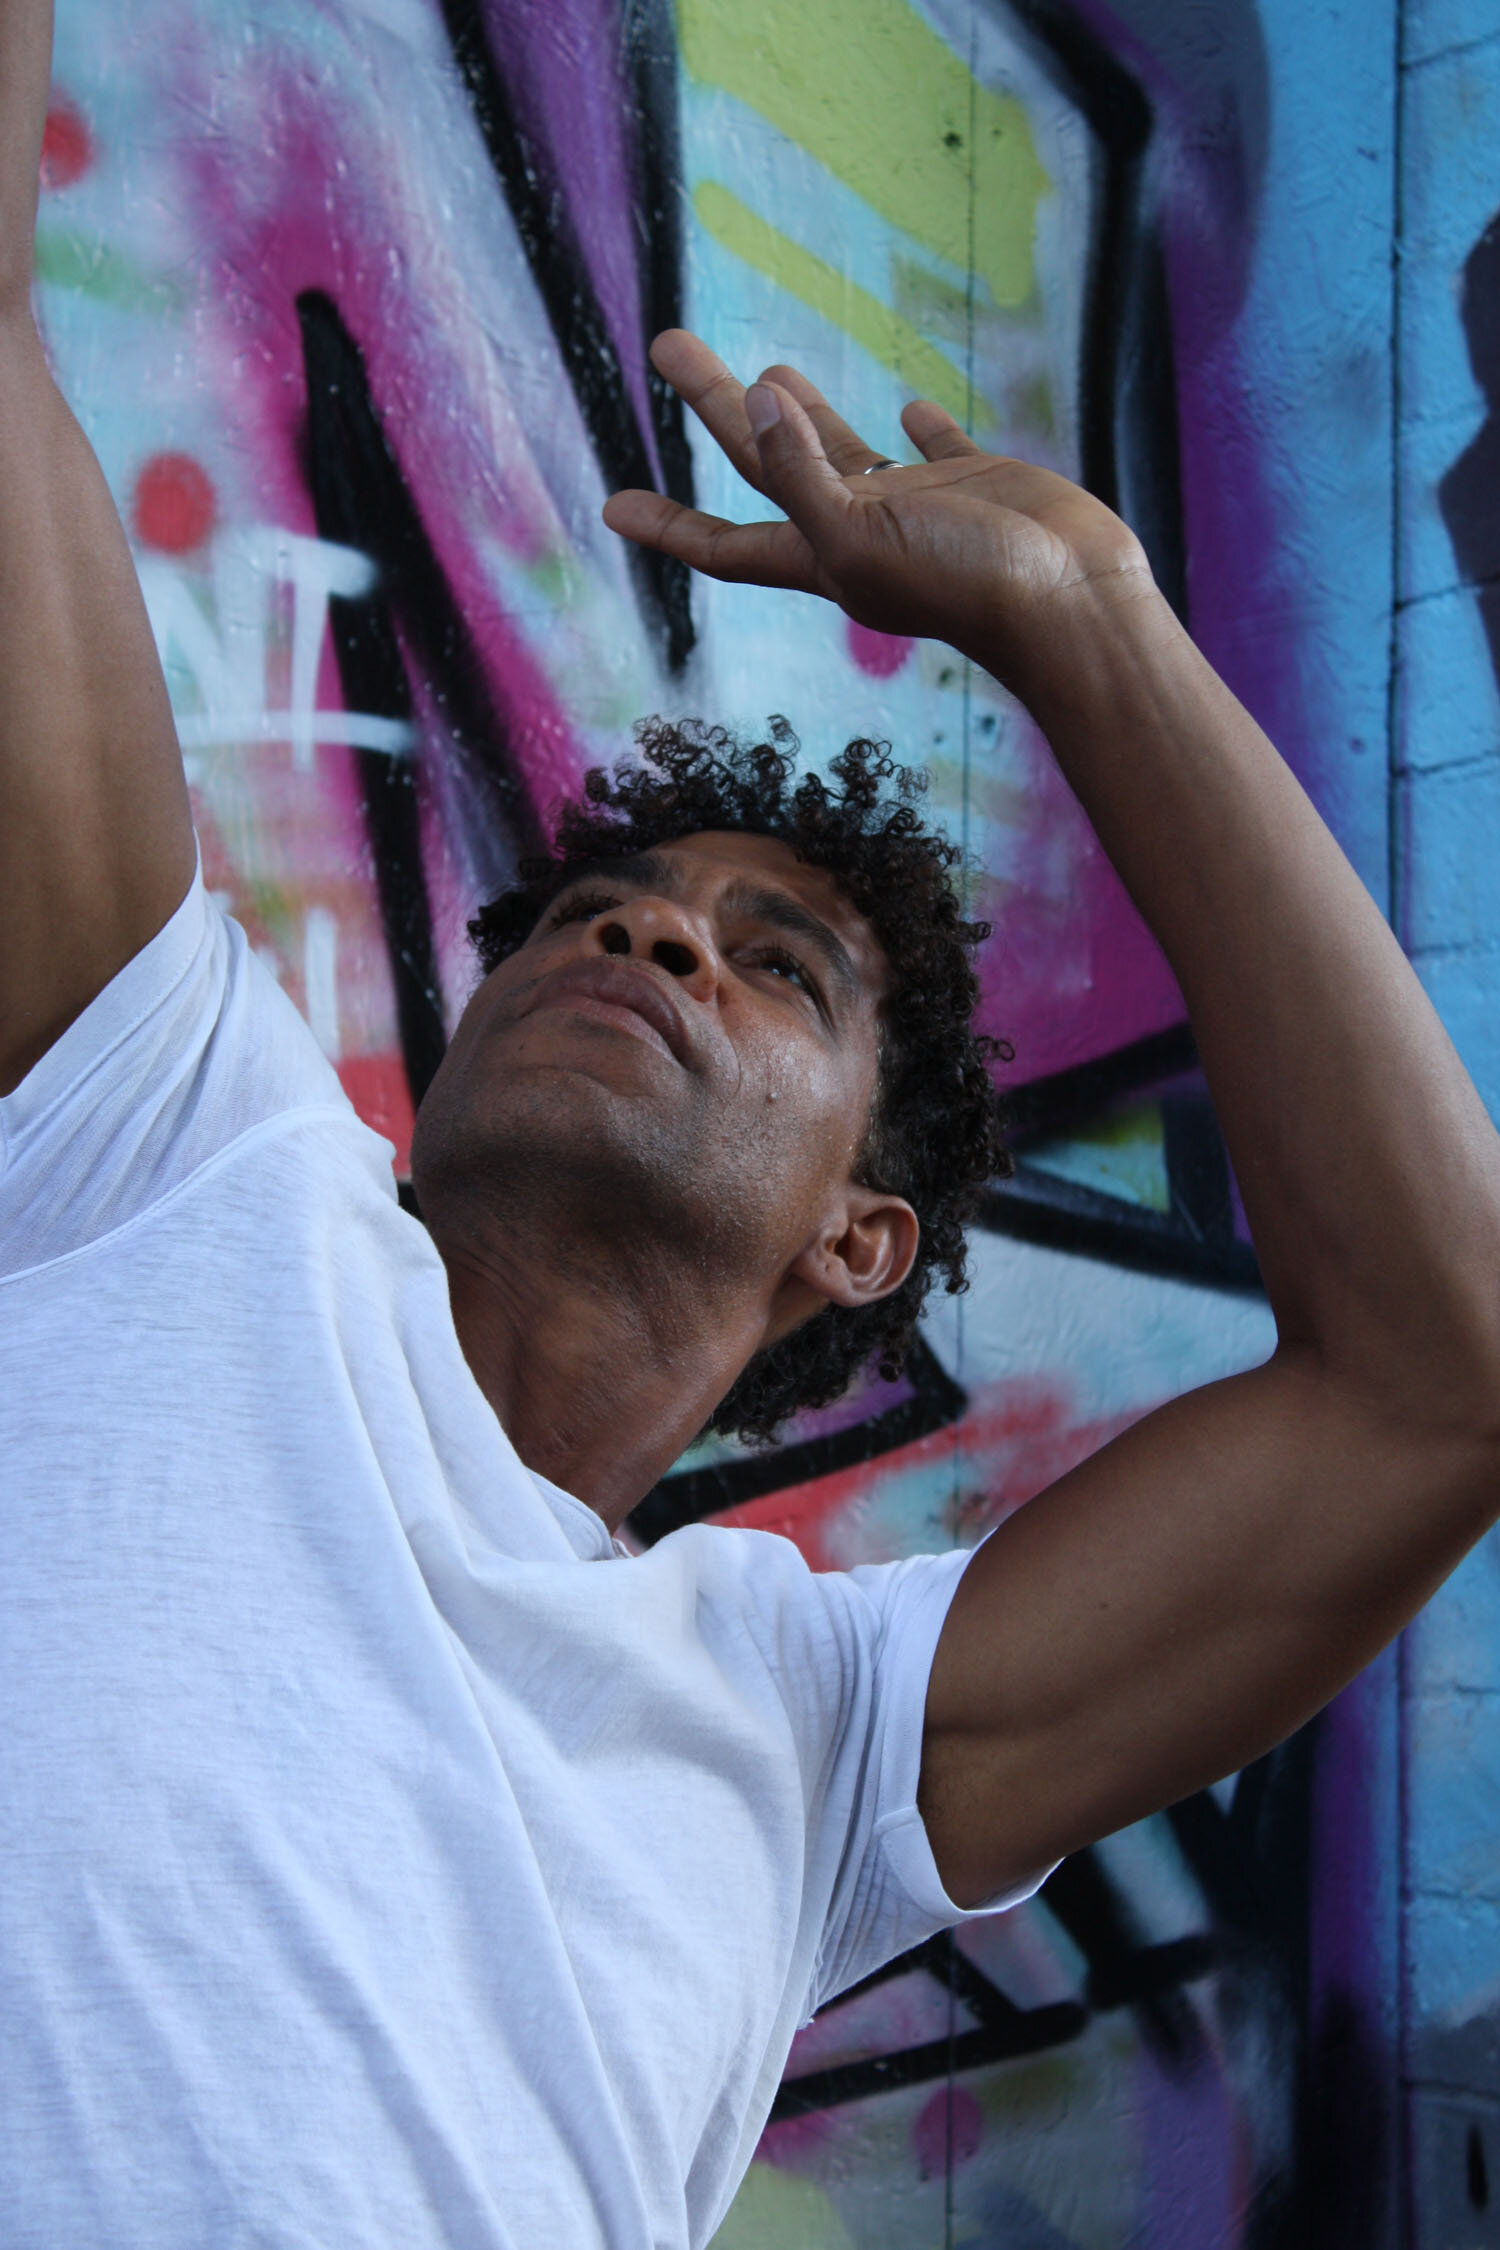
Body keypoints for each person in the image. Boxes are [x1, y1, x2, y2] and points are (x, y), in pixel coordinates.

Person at [4, 0, 1500, 2242]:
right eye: (596, 916)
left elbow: (1437, 1383)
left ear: (860, 1242)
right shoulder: (174, 1156)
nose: (658, 945)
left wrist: (1096, 622)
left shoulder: (806, 1735)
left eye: (770, 964)